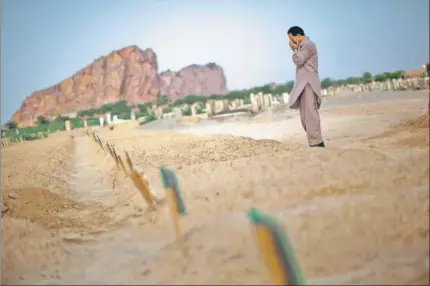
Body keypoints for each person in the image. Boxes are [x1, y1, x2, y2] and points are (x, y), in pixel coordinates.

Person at [287, 26, 325, 147]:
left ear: (298, 36)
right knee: (304, 116)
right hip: (303, 84)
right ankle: (313, 141)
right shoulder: (302, 46)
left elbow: (298, 60)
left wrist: (294, 49)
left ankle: (317, 143)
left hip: (308, 83)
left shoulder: (307, 45)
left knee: (310, 114)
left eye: (291, 39)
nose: (291, 42)